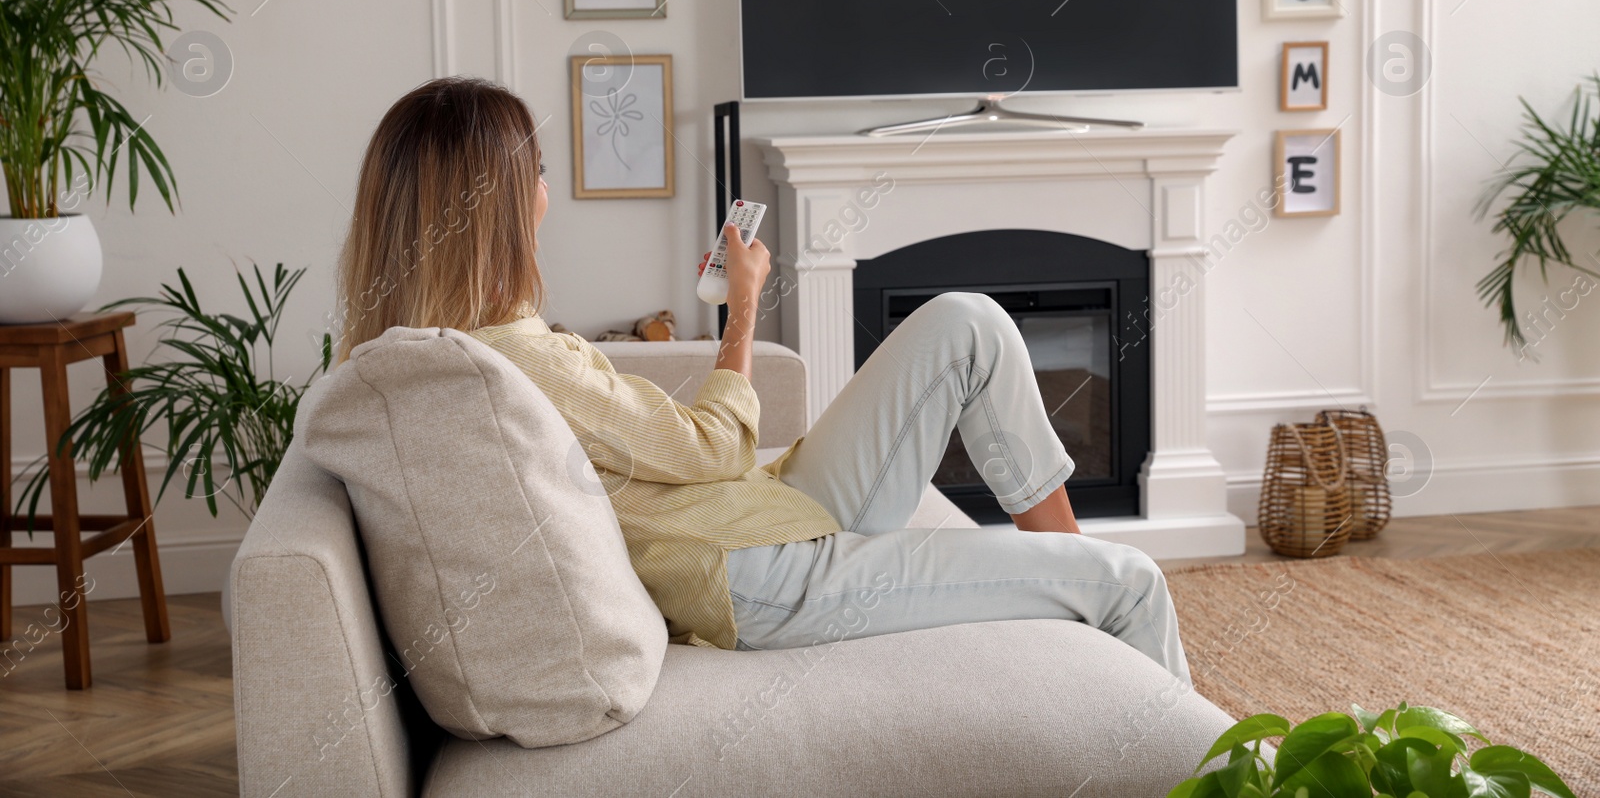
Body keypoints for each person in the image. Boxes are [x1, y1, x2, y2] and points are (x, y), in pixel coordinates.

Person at [337, 77, 1189, 683]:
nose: (547, 192)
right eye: (535, 175)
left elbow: (675, 454)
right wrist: (742, 311)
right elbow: (715, 445)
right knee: (1135, 579)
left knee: (967, 320)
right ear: (495, 208)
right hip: (763, 574)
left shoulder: (436, 352)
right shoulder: (513, 359)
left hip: (761, 512)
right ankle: (1098, 605)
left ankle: (1067, 578)